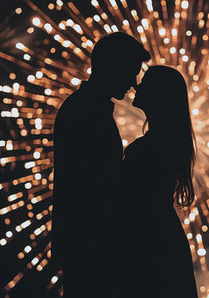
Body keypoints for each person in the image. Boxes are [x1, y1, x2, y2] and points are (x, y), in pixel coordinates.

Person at [52, 32, 150, 297]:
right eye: (131, 72)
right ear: (113, 66)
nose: (133, 83)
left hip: (87, 245)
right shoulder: (86, 112)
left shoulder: (84, 107)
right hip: (91, 246)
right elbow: (92, 187)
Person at [121, 65, 199, 297]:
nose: (137, 86)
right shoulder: (168, 143)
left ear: (158, 95)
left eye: (145, 83)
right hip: (162, 238)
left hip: (151, 243)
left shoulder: (149, 148)